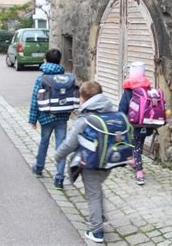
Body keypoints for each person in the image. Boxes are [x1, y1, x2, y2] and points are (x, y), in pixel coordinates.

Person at [55, 81, 112, 243]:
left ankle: (97, 231)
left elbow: (70, 144)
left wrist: (58, 156)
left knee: (92, 194)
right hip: (108, 160)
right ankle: (101, 217)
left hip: (92, 162)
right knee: (96, 189)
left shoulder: (85, 119)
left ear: (83, 98)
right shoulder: (108, 111)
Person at [28, 48, 70, 189]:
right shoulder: (65, 78)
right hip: (62, 117)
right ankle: (59, 178)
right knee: (61, 146)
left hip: (46, 117)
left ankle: (39, 168)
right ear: (59, 61)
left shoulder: (41, 79)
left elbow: (35, 100)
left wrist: (33, 120)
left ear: (45, 60)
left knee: (44, 142)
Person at [118, 62, 153, 185]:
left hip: (133, 125)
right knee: (139, 145)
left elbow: (122, 108)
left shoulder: (129, 91)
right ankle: (134, 162)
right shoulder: (148, 89)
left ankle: (139, 172)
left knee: (135, 146)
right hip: (146, 124)